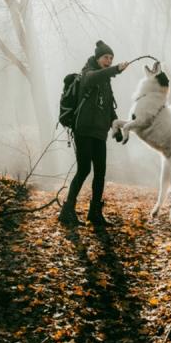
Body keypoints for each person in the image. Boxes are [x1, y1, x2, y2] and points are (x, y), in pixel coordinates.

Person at [59, 40, 129, 227]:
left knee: (100, 172)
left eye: (111, 58)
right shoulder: (87, 73)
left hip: (99, 133)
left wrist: (117, 128)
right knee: (84, 170)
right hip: (83, 130)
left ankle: (95, 213)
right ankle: (67, 210)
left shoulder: (105, 81)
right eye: (106, 57)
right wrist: (116, 69)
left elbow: (108, 108)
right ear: (98, 58)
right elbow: (91, 79)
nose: (109, 60)